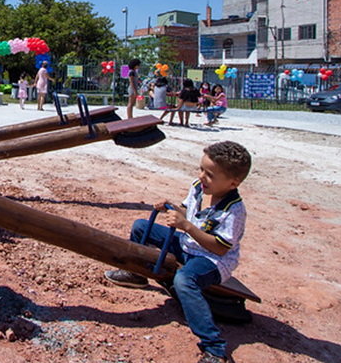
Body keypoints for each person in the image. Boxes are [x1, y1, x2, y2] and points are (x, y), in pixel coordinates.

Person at [105, 141, 252, 363]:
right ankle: (137, 275)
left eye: (210, 174)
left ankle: (214, 347)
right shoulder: (198, 187)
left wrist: (187, 227)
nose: (202, 176)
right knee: (140, 227)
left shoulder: (234, 210)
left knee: (185, 281)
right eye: (201, 169)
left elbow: (220, 247)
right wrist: (172, 207)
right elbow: (187, 210)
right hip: (187, 242)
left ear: (233, 183)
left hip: (212, 259)